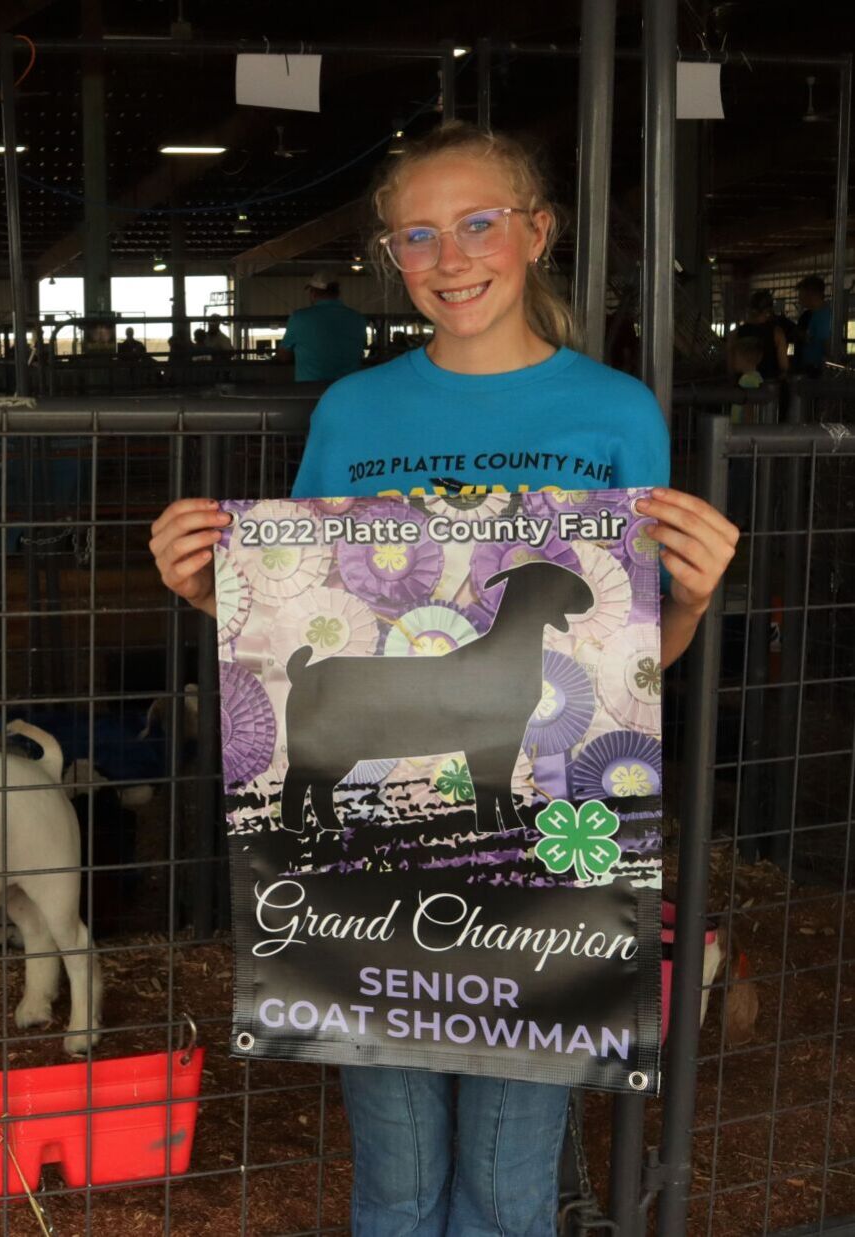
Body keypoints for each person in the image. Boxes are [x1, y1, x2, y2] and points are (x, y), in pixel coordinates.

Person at [148, 121, 738, 1237]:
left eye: (478, 224)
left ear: (536, 232)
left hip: (543, 853)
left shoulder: (612, 411)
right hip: (376, 860)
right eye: (419, 234)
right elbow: (312, 613)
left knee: (511, 1185)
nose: (450, 255)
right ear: (392, 255)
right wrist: (210, 593)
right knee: (400, 1177)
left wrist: (695, 598)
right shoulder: (353, 412)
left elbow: (626, 658)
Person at [277, 270, 369, 382]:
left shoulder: (299, 318)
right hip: (347, 388)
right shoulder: (358, 318)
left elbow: (283, 356)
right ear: (338, 292)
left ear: (313, 293)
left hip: (310, 390)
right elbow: (362, 351)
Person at [728, 290, 790, 380]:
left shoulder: (735, 333)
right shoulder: (777, 333)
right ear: (768, 311)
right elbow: (784, 366)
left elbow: (731, 367)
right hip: (769, 384)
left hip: (743, 386)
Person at [793, 275, 833, 376]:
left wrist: (828, 370)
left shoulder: (822, 316)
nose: (799, 299)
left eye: (801, 294)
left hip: (817, 370)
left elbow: (827, 344)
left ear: (811, 294)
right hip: (813, 368)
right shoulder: (815, 314)